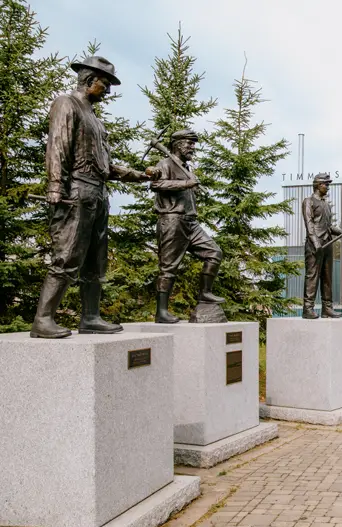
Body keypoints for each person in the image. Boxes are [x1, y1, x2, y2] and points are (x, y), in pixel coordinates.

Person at [30, 56, 151, 339]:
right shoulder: (67, 104)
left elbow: (106, 167)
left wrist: (140, 175)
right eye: (105, 84)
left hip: (98, 194)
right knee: (67, 256)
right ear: (88, 80)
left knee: (96, 262)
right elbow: (57, 148)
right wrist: (55, 187)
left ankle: (91, 317)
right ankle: (43, 319)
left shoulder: (95, 120)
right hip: (76, 193)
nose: (107, 91)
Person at [145, 129, 224, 323]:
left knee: (214, 253)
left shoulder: (185, 167)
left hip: (191, 222)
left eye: (193, 144)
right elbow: (156, 185)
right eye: (189, 144)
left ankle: (205, 293)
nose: (192, 148)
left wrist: (190, 181)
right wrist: (186, 184)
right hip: (172, 220)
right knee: (168, 267)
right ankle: (161, 312)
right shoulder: (165, 164)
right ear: (177, 144)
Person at [301, 172, 342, 319]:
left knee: (327, 277)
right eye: (326, 184)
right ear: (318, 185)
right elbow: (309, 224)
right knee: (312, 276)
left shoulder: (325, 204)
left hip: (328, 242)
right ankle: (308, 308)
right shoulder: (308, 202)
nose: (328, 187)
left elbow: (329, 226)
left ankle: (327, 308)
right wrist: (315, 242)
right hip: (314, 245)